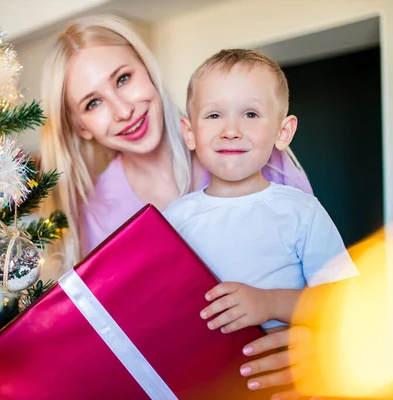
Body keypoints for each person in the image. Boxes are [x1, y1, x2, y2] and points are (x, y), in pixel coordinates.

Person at [39, 15, 316, 398]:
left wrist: (315, 347)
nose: (122, 110)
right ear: (82, 126)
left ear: (147, 68)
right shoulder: (97, 215)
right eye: (93, 103)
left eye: (123, 79)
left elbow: (334, 289)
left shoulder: (247, 150)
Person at [162, 49, 359, 334]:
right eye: (214, 114)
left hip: (279, 375)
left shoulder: (302, 212)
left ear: (282, 133)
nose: (231, 130)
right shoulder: (175, 219)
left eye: (250, 114)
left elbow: (346, 302)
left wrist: (270, 303)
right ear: (190, 133)